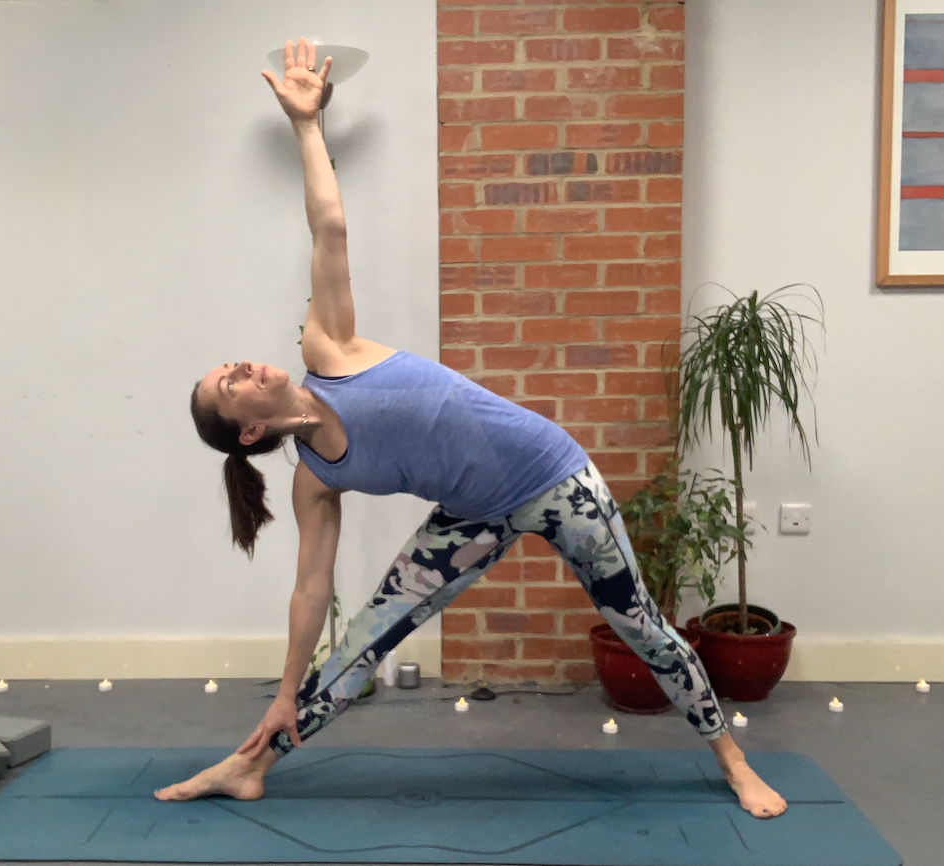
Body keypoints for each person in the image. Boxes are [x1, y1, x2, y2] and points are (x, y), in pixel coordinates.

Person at [155, 38, 787, 820]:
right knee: (360, 643)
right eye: (232, 383)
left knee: (641, 626)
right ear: (248, 433)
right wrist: (286, 689)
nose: (246, 366)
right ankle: (249, 765)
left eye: (234, 364)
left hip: (557, 480)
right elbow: (311, 589)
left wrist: (307, 126)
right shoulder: (315, 479)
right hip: (471, 518)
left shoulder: (330, 349)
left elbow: (330, 230)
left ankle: (732, 759)